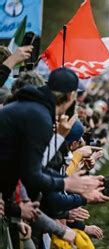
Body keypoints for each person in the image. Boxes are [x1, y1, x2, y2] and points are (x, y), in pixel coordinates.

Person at [0, 67, 102, 218]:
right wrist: (66, 184)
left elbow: (31, 165)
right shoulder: (40, 116)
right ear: (71, 96)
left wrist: (74, 181)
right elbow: (31, 175)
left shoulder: (33, 108)